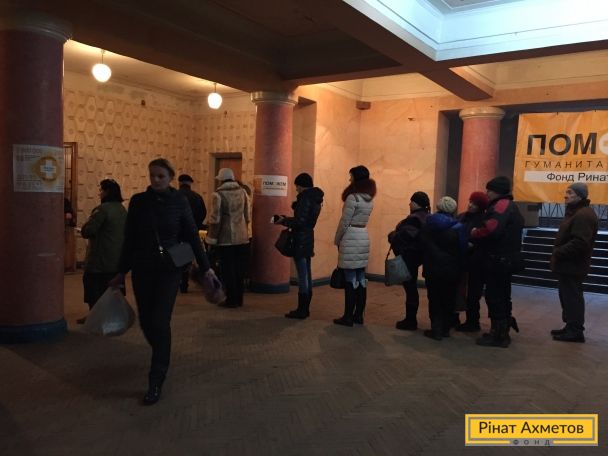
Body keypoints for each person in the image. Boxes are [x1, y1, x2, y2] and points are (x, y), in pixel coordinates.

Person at [109, 158, 214, 405]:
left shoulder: (179, 201)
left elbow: (191, 235)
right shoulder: (138, 202)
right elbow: (130, 238)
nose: (156, 180)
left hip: (169, 269)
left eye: (161, 176)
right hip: (142, 268)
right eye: (152, 175)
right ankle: (161, 351)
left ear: (170, 178)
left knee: (159, 320)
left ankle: (156, 378)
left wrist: (206, 268)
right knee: (146, 321)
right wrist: (121, 271)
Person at [471, 176, 524, 348]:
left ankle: (498, 336)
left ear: (497, 191)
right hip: (506, 259)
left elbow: (492, 230)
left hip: (498, 260)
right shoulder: (511, 206)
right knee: (503, 295)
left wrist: (475, 232)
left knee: (495, 296)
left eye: (489, 190)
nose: (486, 193)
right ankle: (502, 331)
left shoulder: (501, 206)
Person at [550, 182, 598, 343]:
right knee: (568, 296)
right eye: (566, 192)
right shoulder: (576, 212)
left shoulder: (583, 215)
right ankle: (570, 326)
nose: (566, 195)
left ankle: (575, 331)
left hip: (573, 264)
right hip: (568, 264)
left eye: (570, 192)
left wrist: (558, 252)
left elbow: (580, 242)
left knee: (572, 298)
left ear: (580, 196)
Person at [274, 173, 324, 319]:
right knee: (306, 273)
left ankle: (302, 309)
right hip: (308, 237)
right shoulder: (315, 198)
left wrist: (283, 221)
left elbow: (300, 221)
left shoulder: (305, 198)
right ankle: (305, 308)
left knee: (303, 275)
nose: (296, 189)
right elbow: (306, 219)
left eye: (297, 186)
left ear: (302, 186)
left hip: (301, 239)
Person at [78, 179, 127, 324]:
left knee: (93, 288)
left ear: (107, 192)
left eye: (101, 190)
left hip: (100, 259)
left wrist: (85, 226)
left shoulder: (102, 210)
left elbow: (88, 231)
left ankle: (94, 317)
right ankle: (113, 316)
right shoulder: (122, 209)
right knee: (113, 290)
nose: (99, 193)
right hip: (117, 258)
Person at [333, 165, 376, 327]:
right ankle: (358, 315)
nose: (349, 179)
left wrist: (337, 239)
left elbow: (344, 222)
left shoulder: (353, 198)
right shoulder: (369, 199)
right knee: (361, 279)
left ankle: (347, 316)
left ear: (356, 178)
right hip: (363, 236)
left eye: (351, 176)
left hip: (350, 237)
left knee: (350, 279)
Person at [420, 196, 467, 340]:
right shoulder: (458, 227)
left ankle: (436, 329)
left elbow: (422, 243)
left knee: (434, 298)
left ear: (438, 207)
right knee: (448, 298)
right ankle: (445, 329)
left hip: (432, 267)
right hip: (452, 269)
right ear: (453, 209)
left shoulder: (427, 223)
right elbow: (463, 249)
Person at [206, 167, 250, 308]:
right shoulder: (243, 192)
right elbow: (247, 216)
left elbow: (215, 220)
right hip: (242, 237)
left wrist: (211, 239)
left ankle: (231, 299)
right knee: (239, 270)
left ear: (221, 180)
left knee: (227, 270)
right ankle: (239, 299)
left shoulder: (218, 195)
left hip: (226, 239)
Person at [388, 191, 431, 331]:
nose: (409, 204)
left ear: (416, 203)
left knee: (410, 288)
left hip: (410, 256)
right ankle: (411, 319)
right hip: (420, 256)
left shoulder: (414, 219)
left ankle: (410, 320)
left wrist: (392, 235)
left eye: (411, 201)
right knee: (411, 287)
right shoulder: (427, 217)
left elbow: (405, 236)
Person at [455, 191, 489, 332]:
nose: (470, 205)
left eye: (474, 204)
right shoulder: (461, 216)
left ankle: (472, 321)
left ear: (480, 207)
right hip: (461, 259)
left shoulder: (484, 220)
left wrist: (472, 245)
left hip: (476, 261)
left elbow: (485, 240)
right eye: (470, 201)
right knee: (458, 290)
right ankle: (454, 318)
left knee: (474, 294)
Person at [177, 174, 207, 293]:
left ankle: (181, 282)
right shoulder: (197, 196)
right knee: (190, 257)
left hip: (177, 232)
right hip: (192, 231)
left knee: (180, 257)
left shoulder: (174, 196)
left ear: (179, 183)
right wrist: (196, 224)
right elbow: (203, 213)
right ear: (190, 183)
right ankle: (186, 283)